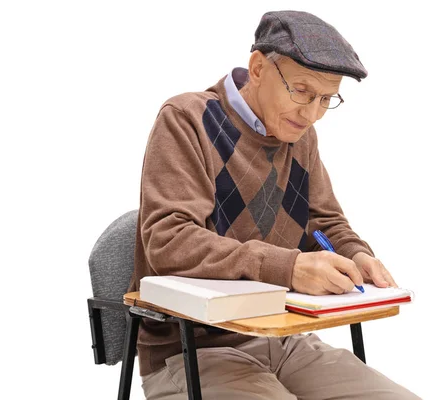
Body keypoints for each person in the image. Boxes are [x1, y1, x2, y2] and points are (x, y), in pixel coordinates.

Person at [129, 10, 420, 400]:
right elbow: (169, 240)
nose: (312, 113)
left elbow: (322, 224)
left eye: (326, 99)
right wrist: (288, 267)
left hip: (283, 338)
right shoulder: (187, 120)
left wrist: (355, 255)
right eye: (301, 91)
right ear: (258, 68)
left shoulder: (299, 135)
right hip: (193, 348)